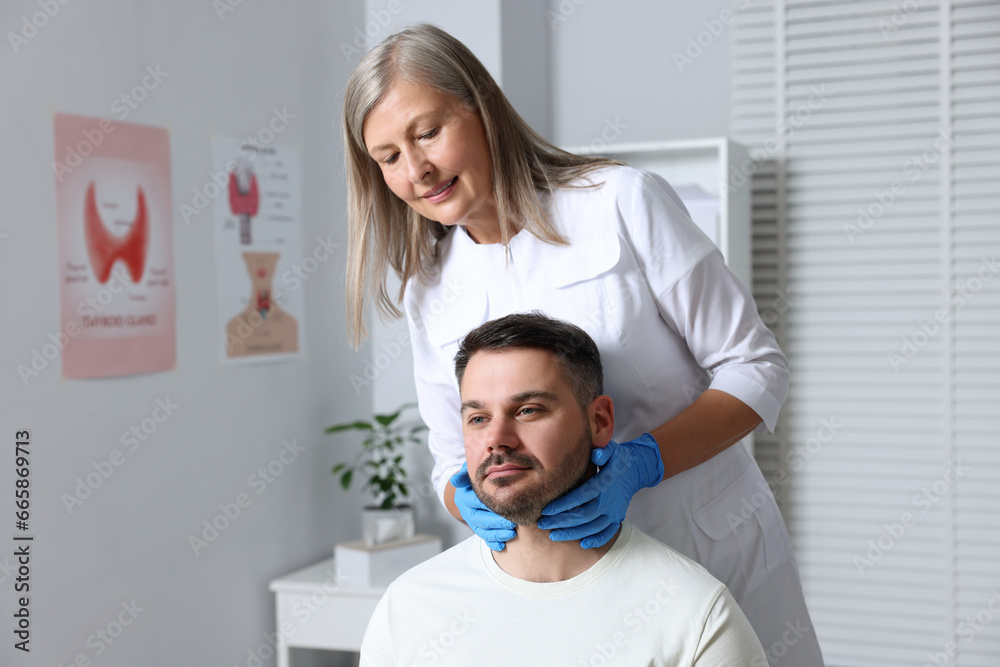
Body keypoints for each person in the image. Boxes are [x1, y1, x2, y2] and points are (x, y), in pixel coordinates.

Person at [343, 23, 823, 666]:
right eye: (389, 156)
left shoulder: (619, 204)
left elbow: (755, 365)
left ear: (482, 107)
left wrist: (642, 463)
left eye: (427, 131)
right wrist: (475, 505)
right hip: (574, 586)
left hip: (709, 542)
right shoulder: (428, 288)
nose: (416, 168)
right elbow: (446, 456)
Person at [360, 313, 767, 666]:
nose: (497, 440)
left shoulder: (694, 616)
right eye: (478, 418)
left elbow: (758, 367)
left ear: (600, 421)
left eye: (528, 410)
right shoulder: (410, 606)